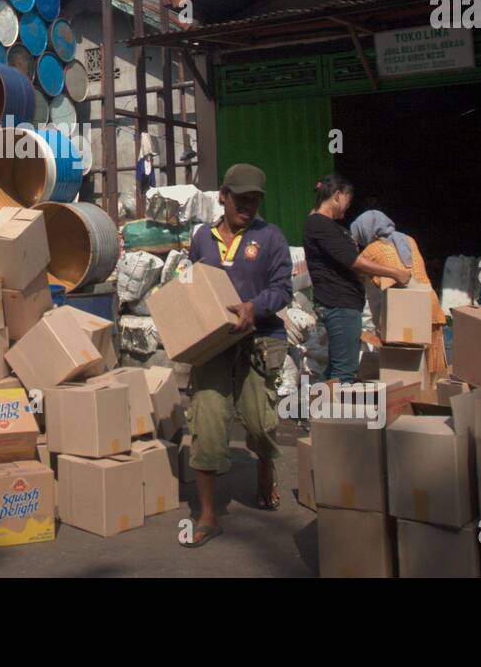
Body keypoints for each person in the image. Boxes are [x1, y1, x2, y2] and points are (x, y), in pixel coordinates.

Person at [182, 164, 293, 548]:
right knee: (208, 420)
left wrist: (254, 306)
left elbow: (283, 289)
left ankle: (264, 466)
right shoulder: (202, 238)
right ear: (223, 197)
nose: (248, 204)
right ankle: (208, 515)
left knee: (261, 423)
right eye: (241, 197)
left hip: (258, 340)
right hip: (213, 345)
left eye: (255, 199)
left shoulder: (271, 237)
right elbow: (193, 283)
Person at [303, 175, 412, 383]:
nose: (347, 207)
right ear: (337, 196)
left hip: (345, 303)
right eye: (348, 200)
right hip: (339, 302)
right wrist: (394, 272)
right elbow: (353, 260)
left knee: (337, 367)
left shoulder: (329, 226)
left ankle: (309, 409)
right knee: (345, 372)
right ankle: (328, 414)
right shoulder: (319, 224)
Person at [350, 210, 449, 379]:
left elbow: (355, 272)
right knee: (433, 361)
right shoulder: (409, 240)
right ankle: (434, 396)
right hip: (429, 306)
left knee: (406, 368)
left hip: (404, 317)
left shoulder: (371, 251)